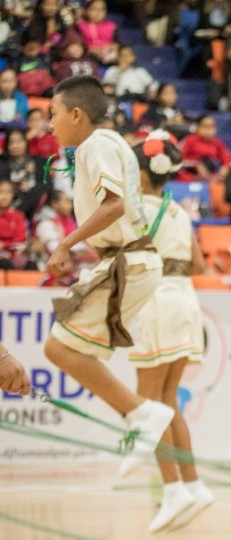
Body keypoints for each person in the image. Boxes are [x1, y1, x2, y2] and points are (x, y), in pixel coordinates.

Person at [42, 76, 173, 476]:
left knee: (60, 349)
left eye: (53, 114)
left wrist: (65, 244)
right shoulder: (110, 142)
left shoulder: (95, 144)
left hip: (128, 261)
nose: (49, 123)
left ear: (76, 115)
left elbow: (113, 206)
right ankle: (137, 415)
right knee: (68, 348)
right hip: (125, 259)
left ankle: (142, 414)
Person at [128, 133, 214, 533]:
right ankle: (193, 485)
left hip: (156, 301)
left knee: (150, 404)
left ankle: (173, 489)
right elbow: (199, 265)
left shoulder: (134, 208)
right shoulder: (178, 210)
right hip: (185, 300)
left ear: (142, 175)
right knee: (168, 401)